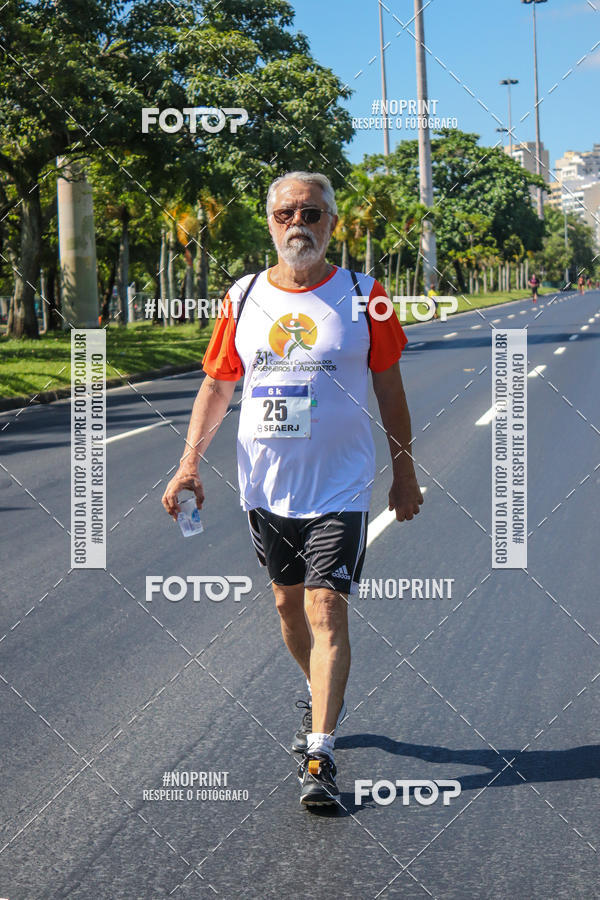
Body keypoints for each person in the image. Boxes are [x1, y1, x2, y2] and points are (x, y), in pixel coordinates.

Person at [162, 171, 423, 807]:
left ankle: (320, 755)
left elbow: (389, 389)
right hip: (265, 487)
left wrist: (405, 469)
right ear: (269, 222)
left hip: (339, 486)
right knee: (286, 607)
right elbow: (218, 386)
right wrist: (189, 463)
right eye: (284, 213)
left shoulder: (368, 296)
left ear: (332, 223)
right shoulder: (244, 296)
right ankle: (320, 700)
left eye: (310, 212)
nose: (296, 223)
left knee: (325, 606)